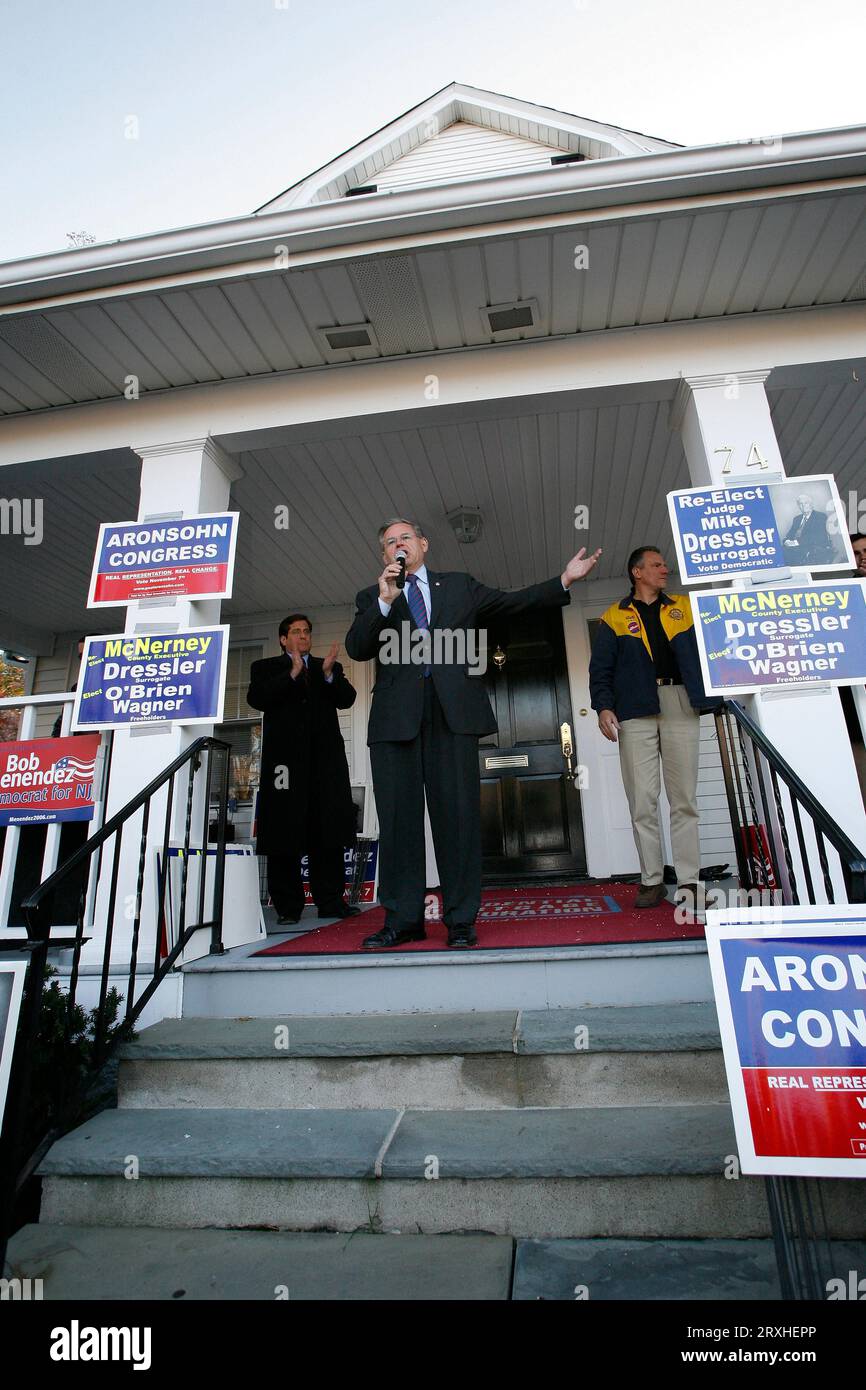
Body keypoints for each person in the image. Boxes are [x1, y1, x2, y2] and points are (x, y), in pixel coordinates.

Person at [345, 518, 601, 950]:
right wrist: (385, 603)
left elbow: (512, 603)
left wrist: (563, 579)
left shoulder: (459, 586)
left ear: (422, 544)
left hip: (452, 715)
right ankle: (404, 919)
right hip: (395, 722)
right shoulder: (372, 596)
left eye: (405, 537)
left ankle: (460, 919)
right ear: (384, 555)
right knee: (399, 822)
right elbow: (358, 648)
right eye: (390, 542)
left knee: (458, 819)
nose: (398, 545)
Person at [589, 547, 721, 912]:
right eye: (657, 565)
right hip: (634, 710)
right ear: (637, 572)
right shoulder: (613, 617)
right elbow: (600, 669)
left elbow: (714, 649)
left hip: (680, 700)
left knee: (684, 800)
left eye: (665, 564)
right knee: (642, 800)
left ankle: (690, 883)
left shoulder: (685, 607)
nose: (665, 569)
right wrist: (603, 706)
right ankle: (651, 881)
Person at [247, 615, 359, 925]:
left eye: (307, 631)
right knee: (284, 831)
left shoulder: (328, 666)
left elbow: (347, 699)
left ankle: (331, 901)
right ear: (283, 639)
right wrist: (292, 674)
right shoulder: (266, 668)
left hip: (325, 765)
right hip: (284, 766)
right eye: (296, 632)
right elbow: (257, 698)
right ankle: (288, 907)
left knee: (329, 831)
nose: (303, 636)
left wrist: (327, 677)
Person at [782, 493, 830, 566]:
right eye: (800, 504)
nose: (803, 505)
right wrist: (786, 541)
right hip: (795, 548)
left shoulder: (820, 516)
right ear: (798, 506)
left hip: (811, 548)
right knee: (781, 551)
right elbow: (789, 535)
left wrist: (795, 543)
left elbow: (817, 537)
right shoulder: (797, 519)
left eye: (806, 503)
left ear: (811, 504)